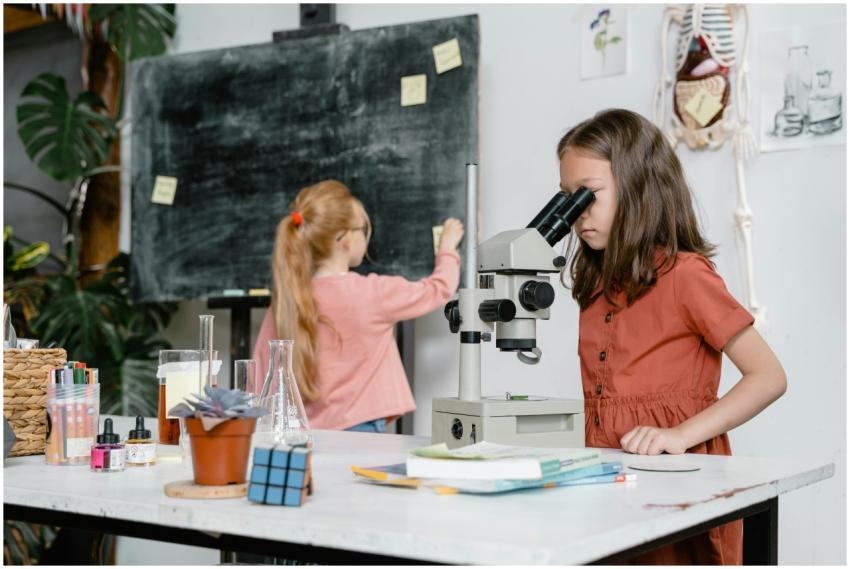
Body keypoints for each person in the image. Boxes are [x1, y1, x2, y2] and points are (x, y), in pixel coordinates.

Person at [557, 109, 787, 564]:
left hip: (681, 488)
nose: (576, 212)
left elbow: (769, 377)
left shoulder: (685, 276)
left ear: (639, 186)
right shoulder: (596, 285)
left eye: (588, 194)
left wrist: (679, 435)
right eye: (566, 198)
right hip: (611, 487)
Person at [252, 179, 464, 433]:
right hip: (362, 431)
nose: (366, 236)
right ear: (344, 238)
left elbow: (259, 375)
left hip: (306, 435)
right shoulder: (372, 293)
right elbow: (438, 289)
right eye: (363, 229)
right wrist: (447, 248)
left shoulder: (288, 301)